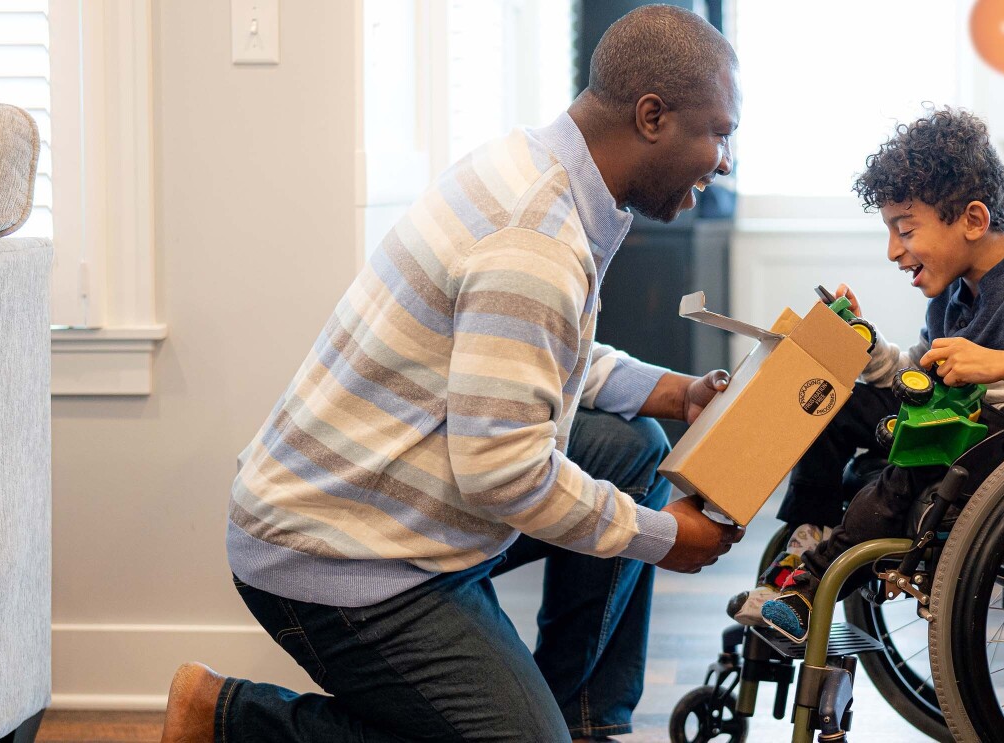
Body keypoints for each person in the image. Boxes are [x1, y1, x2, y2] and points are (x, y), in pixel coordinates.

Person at [160, 6, 747, 742]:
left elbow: (525, 352)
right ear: (652, 116)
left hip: (402, 501)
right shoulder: (534, 239)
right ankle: (226, 719)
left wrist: (673, 392)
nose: (724, 158)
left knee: (633, 452)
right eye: (719, 132)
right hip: (337, 547)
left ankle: (577, 723)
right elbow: (504, 472)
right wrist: (664, 536)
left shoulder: (535, 169)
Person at [757, 107, 1004, 642]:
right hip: (960, 433)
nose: (893, 251)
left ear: (973, 220)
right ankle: (808, 538)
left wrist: (1001, 363)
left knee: (925, 443)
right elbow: (917, 379)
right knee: (835, 401)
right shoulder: (957, 294)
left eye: (905, 229)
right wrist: (866, 347)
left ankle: (811, 587)